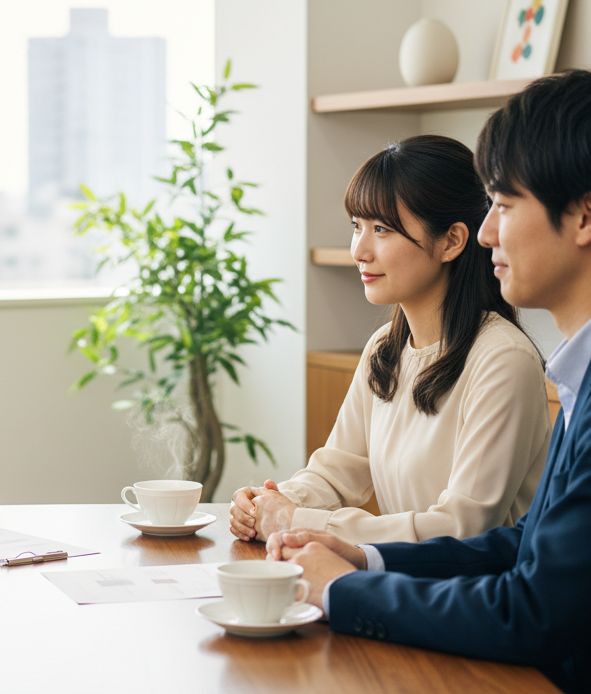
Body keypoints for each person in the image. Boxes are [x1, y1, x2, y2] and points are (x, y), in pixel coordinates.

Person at [268, 71, 591, 694]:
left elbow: (535, 611)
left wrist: (344, 593)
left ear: (588, 217)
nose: (485, 235)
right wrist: (365, 557)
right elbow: (528, 544)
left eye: (505, 207)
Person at [230, 135, 550, 546]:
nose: (360, 250)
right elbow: (336, 472)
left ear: (452, 240)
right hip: (405, 581)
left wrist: (298, 520)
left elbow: (464, 527)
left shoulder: (503, 359)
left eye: (381, 229)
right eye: (357, 227)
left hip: (474, 595)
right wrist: (270, 502)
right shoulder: (385, 348)